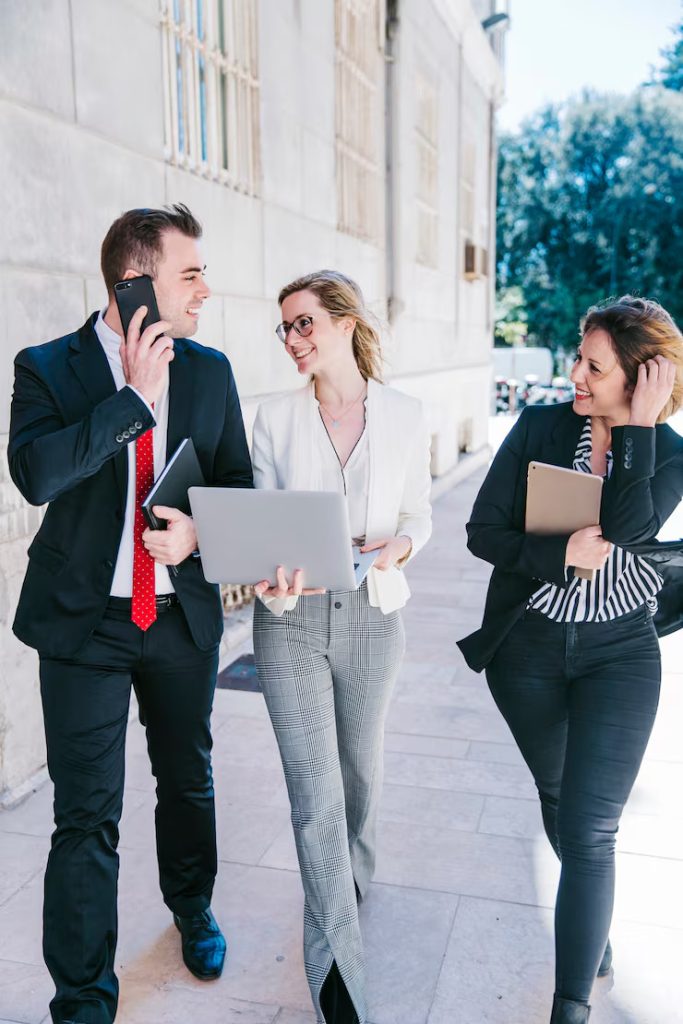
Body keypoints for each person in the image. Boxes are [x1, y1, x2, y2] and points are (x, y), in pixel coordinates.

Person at [8, 204, 253, 1024]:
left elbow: (238, 491)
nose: (205, 290)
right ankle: (82, 998)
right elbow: (37, 476)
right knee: (85, 814)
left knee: (188, 781)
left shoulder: (212, 371)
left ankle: (192, 907)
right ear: (135, 283)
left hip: (178, 619)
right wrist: (133, 401)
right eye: (191, 274)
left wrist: (199, 534)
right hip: (84, 627)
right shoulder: (46, 367)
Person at [458, 295, 683, 1023]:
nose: (574, 375)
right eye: (576, 358)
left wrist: (639, 429)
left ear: (641, 377)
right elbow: (481, 531)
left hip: (619, 655)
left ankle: (570, 1005)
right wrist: (556, 554)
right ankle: (595, 929)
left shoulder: (671, 451)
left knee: (590, 830)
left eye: (594, 365)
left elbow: (627, 527)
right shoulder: (538, 426)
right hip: (525, 652)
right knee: (560, 805)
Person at [250, 270, 432, 1024]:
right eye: (284, 328)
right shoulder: (271, 419)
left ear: (344, 322)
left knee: (358, 776)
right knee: (313, 798)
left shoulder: (406, 413)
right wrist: (271, 578)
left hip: (372, 615)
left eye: (303, 324)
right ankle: (336, 979)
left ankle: (350, 879)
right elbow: (261, 521)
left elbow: (418, 512)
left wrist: (401, 546)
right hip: (289, 622)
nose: (292, 339)